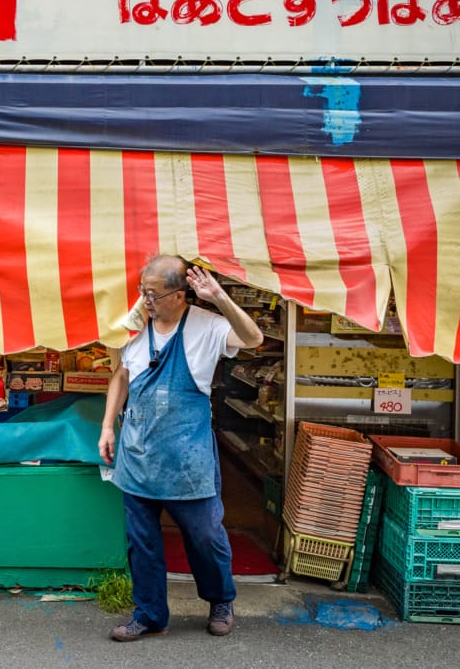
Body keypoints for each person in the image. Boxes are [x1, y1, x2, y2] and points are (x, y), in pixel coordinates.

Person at [98, 255, 263, 642]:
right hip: (139, 453)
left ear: (180, 294)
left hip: (187, 457)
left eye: (153, 294)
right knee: (142, 543)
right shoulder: (136, 327)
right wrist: (108, 426)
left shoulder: (208, 327)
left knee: (205, 536)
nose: (145, 300)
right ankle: (150, 614)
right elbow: (121, 375)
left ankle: (221, 599)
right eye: (143, 292)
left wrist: (219, 297)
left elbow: (254, 340)